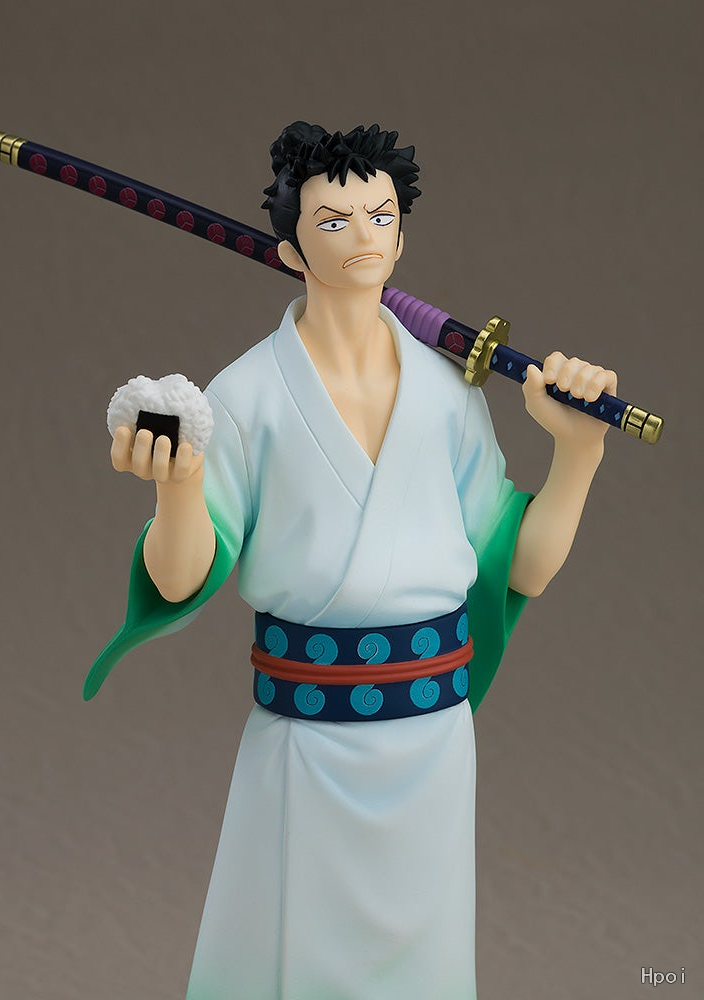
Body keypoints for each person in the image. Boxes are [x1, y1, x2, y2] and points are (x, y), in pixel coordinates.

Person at [87, 122, 617, 999]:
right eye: (333, 221)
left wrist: (578, 455)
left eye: (380, 215)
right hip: (306, 743)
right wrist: (178, 487)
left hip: (432, 741)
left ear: (402, 237)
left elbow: (520, 567)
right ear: (291, 249)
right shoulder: (246, 396)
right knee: (290, 959)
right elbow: (181, 578)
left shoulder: (447, 396)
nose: (364, 236)